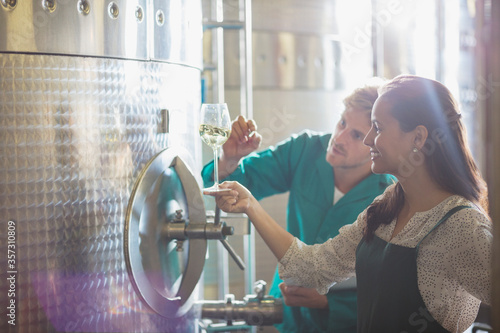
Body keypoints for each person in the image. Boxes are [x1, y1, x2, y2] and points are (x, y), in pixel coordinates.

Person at [210, 75, 492, 333]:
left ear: (418, 138)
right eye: (344, 124)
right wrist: (250, 204)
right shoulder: (385, 208)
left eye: (375, 129)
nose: (369, 139)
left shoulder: (462, 225)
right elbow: (311, 268)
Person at [201, 82, 395, 332]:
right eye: (342, 123)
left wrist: (328, 301)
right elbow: (229, 187)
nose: (339, 137)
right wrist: (230, 158)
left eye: (357, 135)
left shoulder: (389, 196)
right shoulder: (305, 149)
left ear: (378, 143)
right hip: (283, 315)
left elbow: (392, 291)